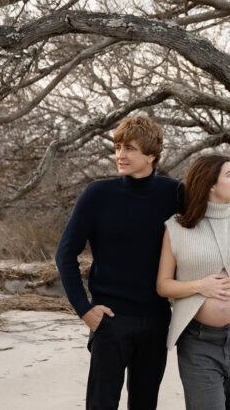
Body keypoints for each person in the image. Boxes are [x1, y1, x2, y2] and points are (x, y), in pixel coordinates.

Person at [55, 114, 182, 410]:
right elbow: (65, 253)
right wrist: (85, 310)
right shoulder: (98, 194)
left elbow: (202, 237)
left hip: (156, 320)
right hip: (110, 320)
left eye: (129, 149)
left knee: (144, 404)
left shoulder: (174, 194)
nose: (120, 155)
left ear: (151, 155)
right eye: (117, 148)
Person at [157, 154, 230, 410]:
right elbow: (163, 285)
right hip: (199, 341)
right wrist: (199, 286)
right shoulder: (177, 228)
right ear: (210, 184)